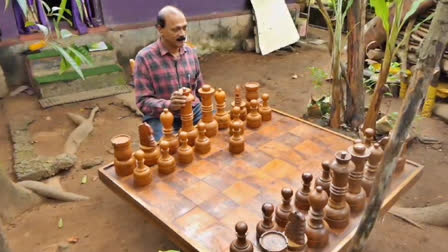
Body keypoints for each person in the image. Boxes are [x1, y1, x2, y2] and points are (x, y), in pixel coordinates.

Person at [134, 5, 204, 141]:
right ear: (160, 29)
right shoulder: (144, 58)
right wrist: (169, 105)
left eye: (184, 27)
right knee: (165, 150)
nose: (183, 34)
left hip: (193, 110)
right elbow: (142, 102)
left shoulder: (190, 53)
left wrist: (204, 108)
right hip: (160, 116)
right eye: (176, 29)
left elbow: (200, 89)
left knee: (215, 130)